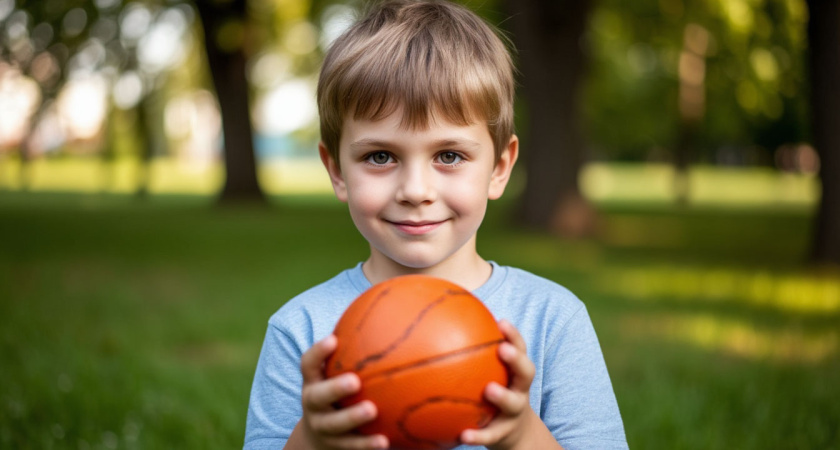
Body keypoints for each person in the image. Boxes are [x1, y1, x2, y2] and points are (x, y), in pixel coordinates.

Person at [244, 1, 627, 449]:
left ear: (499, 168)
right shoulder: (303, 330)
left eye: (449, 155)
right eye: (380, 156)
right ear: (337, 171)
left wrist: (522, 433)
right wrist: (312, 437)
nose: (415, 190)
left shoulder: (551, 321)